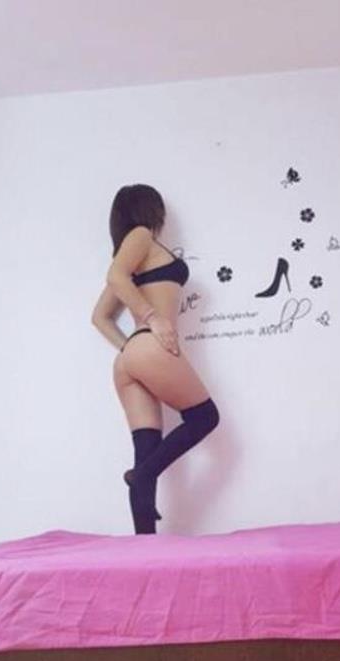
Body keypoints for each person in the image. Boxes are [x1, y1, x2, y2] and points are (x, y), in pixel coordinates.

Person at [91, 184, 220, 534]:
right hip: (148, 345)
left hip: (131, 355)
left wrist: (130, 349)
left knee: (145, 448)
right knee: (205, 417)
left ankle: (144, 544)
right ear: (150, 208)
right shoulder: (142, 235)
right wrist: (153, 319)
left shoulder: (133, 258)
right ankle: (143, 475)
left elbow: (99, 317)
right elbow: (114, 277)